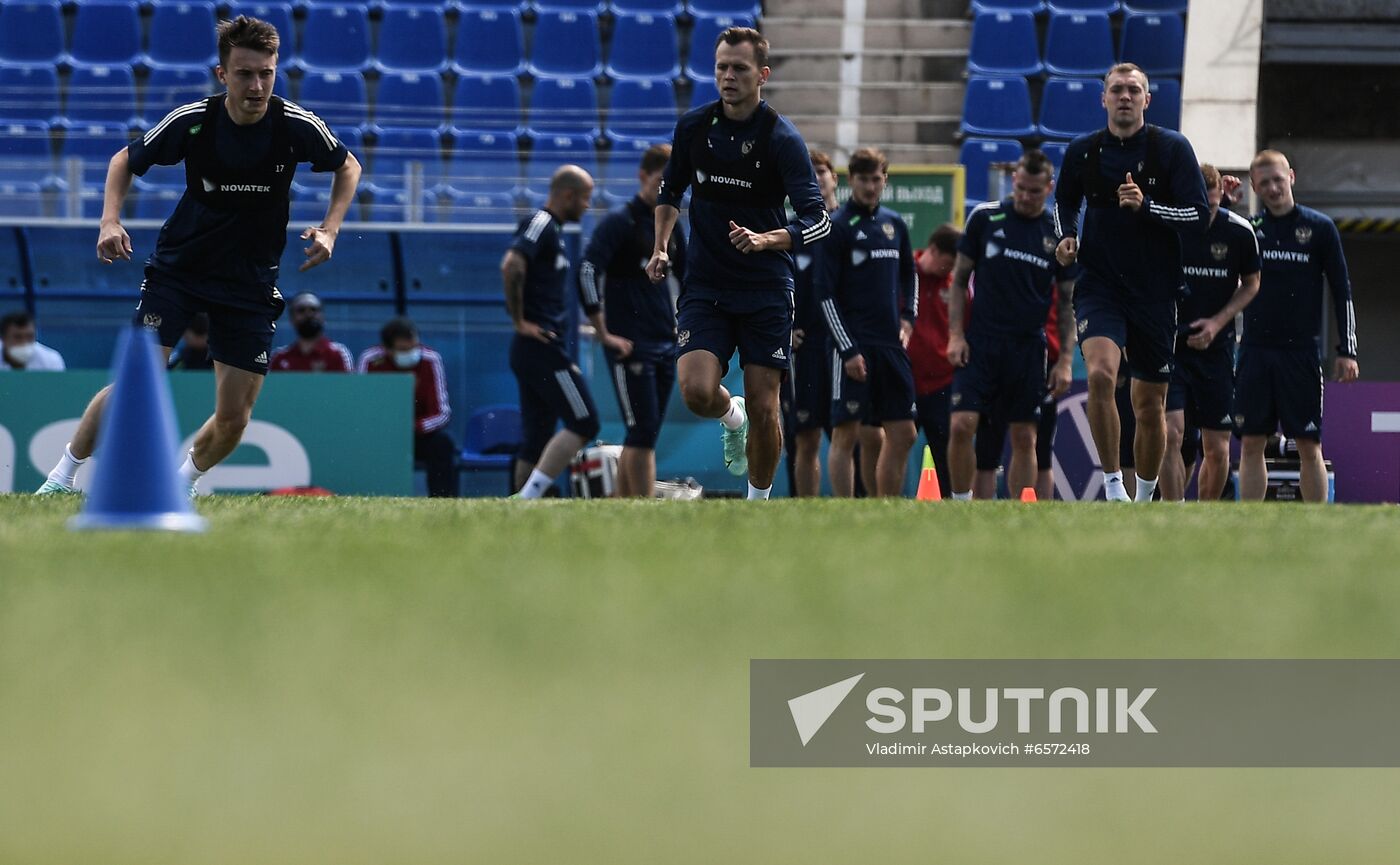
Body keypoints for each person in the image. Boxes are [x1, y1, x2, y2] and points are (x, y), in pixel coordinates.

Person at [35, 15, 361, 496]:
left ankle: (178, 486)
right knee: (135, 384)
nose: (257, 85)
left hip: (249, 280)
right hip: (179, 269)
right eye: (245, 73)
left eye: (266, 73)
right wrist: (109, 220)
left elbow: (348, 166)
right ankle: (59, 480)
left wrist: (331, 229)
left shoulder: (295, 125)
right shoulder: (193, 122)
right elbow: (124, 160)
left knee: (235, 420)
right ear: (222, 74)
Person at [645, 26, 830, 501]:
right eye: (722, 67)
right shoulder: (693, 128)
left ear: (762, 75)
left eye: (739, 69)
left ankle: (757, 507)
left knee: (769, 407)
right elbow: (670, 191)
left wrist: (767, 239)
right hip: (706, 283)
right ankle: (733, 415)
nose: (728, 76)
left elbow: (818, 220)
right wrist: (661, 245)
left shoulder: (781, 138)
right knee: (696, 393)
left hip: (766, 286)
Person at [1053, 62, 1209, 502]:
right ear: (1103, 98)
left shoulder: (1172, 148)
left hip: (1156, 291)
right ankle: (1113, 486)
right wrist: (1065, 238)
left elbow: (1197, 216)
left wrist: (1147, 207)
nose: (1125, 96)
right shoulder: (1082, 150)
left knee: (1149, 402)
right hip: (1100, 284)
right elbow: (1064, 204)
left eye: (1133, 90)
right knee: (1101, 375)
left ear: (1147, 99)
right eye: (1117, 89)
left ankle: (1144, 495)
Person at [946, 150, 1076, 500]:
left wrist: (1064, 360)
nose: (1025, 197)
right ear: (1013, 180)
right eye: (1021, 188)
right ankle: (961, 506)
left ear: (1048, 188)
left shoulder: (1056, 232)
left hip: (1029, 347)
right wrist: (955, 335)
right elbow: (958, 281)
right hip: (980, 342)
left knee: (1024, 435)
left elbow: (1066, 302)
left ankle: (1018, 514)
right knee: (962, 424)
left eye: (1034, 191)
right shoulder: (985, 218)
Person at [1237, 149, 1358, 503]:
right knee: (1252, 442)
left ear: (1291, 176)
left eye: (1278, 179)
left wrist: (1346, 349)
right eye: (1264, 183)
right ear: (1255, 189)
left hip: (1301, 353)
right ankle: (1248, 525)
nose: (1273, 188)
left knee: (1309, 443)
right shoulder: (1249, 230)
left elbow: (1342, 290)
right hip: (1255, 350)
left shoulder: (1320, 228)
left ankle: (1315, 525)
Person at [576, 144, 685, 497]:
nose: (665, 188)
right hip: (630, 344)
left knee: (646, 430)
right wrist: (602, 330)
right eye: (660, 180)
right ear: (643, 177)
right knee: (642, 429)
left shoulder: (671, 224)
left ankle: (622, 505)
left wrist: (685, 323)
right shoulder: (621, 222)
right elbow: (588, 269)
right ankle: (642, 508)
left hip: (664, 341)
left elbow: (690, 278)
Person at [816, 147, 918, 497]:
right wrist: (847, 350)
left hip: (890, 344)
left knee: (904, 432)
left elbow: (909, 272)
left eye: (876, 179)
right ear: (850, 181)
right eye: (863, 179)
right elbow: (824, 294)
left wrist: (909, 317)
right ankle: (846, 509)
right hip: (853, 345)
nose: (870, 187)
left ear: (885, 180)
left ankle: (885, 506)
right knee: (846, 432)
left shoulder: (894, 224)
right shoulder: (838, 226)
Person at [1160, 164, 1261, 501]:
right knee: (1171, 435)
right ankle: (1171, 515)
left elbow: (1251, 283)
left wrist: (1217, 323)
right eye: (1200, 205)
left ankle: (1205, 515)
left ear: (1220, 197)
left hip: (1216, 349)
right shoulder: (1170, 228)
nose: (1206, 212)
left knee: (1217, 447)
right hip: (1171, 345)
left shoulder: (1238, 233)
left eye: (1213, 204)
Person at [502, 165, 599, 499]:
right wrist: (520, 321)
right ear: (568, 195)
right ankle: (527, 498)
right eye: (585, 198)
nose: (587, 206)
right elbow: (512, 264)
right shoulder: (541, 223)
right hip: (540, 346)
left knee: (537, 435)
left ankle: (522, 506)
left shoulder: (555, 231)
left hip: (533, 347)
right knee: (585, 422)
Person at [973, 282, 1069, 500]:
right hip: (996, 357)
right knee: (987, 450)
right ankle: (977, 518)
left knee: (1039, 448)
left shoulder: (1051, 266)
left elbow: (1066, 309)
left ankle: (1036, 516)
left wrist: (1065, 360)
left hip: (1043, 361)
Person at [781, 149, 839, 497]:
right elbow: (776, 283)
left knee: (855, 432)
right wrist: (785, 328)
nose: (817, 178)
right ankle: (804, 507)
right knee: (804, 435)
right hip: (804, 348)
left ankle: (861, 506)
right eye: (811, 172)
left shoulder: (847, 226)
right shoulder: (790, 233)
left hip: (845, 348)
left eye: (822, 171)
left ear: (834, 178)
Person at [357, 317, 456, 498]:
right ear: (387, 349)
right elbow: (361, 407)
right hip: (381, 436)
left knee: (443, 443)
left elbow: (442, 413)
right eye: (403, 350)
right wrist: (383, 427)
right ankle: (368, 495)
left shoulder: (430, 360)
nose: (411, 353)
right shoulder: (370, 361)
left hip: (419, 436)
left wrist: (414, 427)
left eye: (414, 347)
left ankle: (443, 498)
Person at [906, 223, 963, 497]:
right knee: (894, 442)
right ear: (933, 250)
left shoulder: (955, 287)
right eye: (948, 263)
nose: (950, 270)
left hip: (942, 383)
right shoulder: (904, 275)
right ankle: (879, 500)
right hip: (905, 379)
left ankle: (955, 503)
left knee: (947, 449)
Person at [268, 291, 354, 372]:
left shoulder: (337, 354)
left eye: (313, 309)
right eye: (301, 310)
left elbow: (349, 386)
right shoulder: (278, 358)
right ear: (292, 318)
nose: (308, 314)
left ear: (323, 316)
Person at [1, 311, 66, 371]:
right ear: (3, 338)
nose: (24, 342)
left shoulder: (52, 360)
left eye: (30, 336)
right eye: (17, 337)